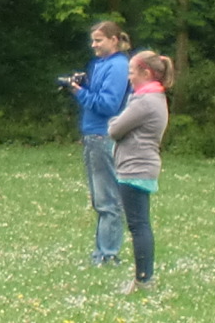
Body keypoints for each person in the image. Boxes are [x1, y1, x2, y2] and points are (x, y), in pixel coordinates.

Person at [61, 21, 131, 265]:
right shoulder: (99, 64)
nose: (94, 45)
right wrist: (83, 85)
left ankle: (108, 254)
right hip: (92, 135)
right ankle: (102, 251)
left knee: (108, 198)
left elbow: (108, 105)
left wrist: (79, 92)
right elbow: (96, 95)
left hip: (104, 135)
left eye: (99, 40)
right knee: (99, 198)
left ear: (114, 40)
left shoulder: (119, 66)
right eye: (93, 40)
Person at [105, 49, 172, 294]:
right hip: (141, 165)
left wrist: (114, 122)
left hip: (135, 167)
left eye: (132, 72)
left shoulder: (144, 102)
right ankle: (144, 278)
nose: (129, 77)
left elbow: (114, 129)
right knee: (139, 223)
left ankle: (144, 280)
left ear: (146, 73)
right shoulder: (154, 98)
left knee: (138, 225)